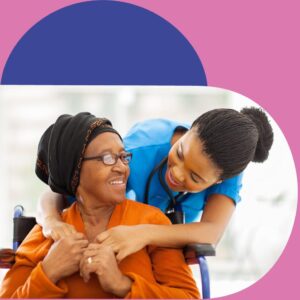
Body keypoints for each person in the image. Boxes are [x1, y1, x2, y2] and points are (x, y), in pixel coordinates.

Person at [0, 113, 200, 299]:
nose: (122, 167)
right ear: (75, 171)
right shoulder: (46, 234)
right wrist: (49, 272)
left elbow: (189, 296)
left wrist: (122, 285)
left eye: (123, 157)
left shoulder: (151, 222)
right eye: (107, 158)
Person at [37, 107, 273, 261]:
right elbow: (56, 191)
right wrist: (51, 220)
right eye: (179, 153)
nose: (177, 174)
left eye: (195, 178)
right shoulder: (137, 152)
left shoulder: (227, 168)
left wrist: (143, 234)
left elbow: (211, 232)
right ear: (190, 131)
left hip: (156, 260)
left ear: (218, 180)